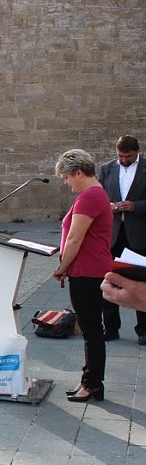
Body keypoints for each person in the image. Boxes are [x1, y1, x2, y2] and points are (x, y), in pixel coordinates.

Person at [52, 149, 113, 402]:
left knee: (91, 330)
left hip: (88, 271)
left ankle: (93, 384)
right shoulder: (94, 194)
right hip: (87, 270)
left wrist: (62, 267)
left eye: (67, 177)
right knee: (90, 329)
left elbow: (75, 238)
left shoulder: (90, 197)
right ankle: (88, 380)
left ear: (78, 172)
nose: (66, 183)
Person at [98, 135, 146, 345]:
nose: (124, 160)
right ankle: (110, 328)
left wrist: (136, 206)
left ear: (137, 152)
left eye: (129, 156)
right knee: (109, 279)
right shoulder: (107, 169)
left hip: (139, 235)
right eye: (121, 156)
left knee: (140, 282)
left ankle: (143, 330)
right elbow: (98, 195)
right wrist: (107, 206)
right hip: (113, 234)